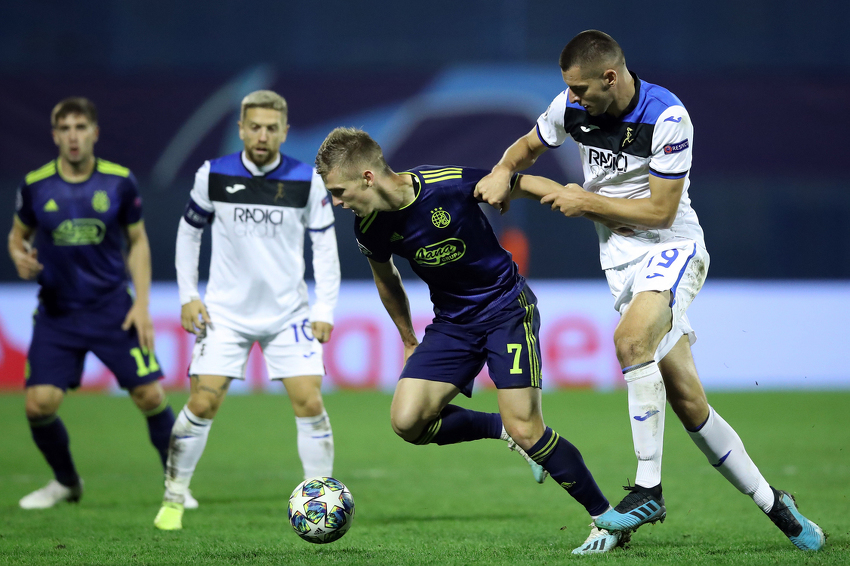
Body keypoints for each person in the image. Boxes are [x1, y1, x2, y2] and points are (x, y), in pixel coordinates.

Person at [475, 30, 826, 552]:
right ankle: (776, 505)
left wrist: (586, 202)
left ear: (610, 78)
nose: (572, 98)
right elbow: (526, 147)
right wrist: (504, 170)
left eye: (580, 89)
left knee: (630, 341)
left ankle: (647, 489)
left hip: (673, 247)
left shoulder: (667, 117)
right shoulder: (569, 108)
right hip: (621, 263)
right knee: (687, 401)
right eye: (567, 89)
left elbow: (661, 210)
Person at [315, 127, 629, 555]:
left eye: (339, 190)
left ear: (367, 177)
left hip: (505, 309)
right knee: (408, 422)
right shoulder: (369, 227)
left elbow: (518, 183)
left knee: (530, 428)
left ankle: (606, 519)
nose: (337, 201)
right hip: (453, 324)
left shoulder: (445, 183)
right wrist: (408, 339)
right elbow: (385, 277)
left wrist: (574, 200)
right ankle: (501, 430)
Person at [154, 90, 341, 531]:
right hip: (225, 313)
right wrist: (188, 295)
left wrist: (325, 307)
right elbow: (188, 236)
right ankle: (174, 497)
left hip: (288, 314)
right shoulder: (212, 175)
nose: (262, 135)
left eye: (271, 128)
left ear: (285, 132)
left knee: (309, 401)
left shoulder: (306, 180)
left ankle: (321, 504)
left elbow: (325, 246)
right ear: (241, 129)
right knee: (202, 401)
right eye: (254, 127)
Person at [9, 97, 186, 509]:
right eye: (65, 129)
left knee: (150, 396)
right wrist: (19, 256)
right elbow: (18, 236)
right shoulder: (35, 184)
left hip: (112, 309)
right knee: (39, 405)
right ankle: (66, 483)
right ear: (55, 135)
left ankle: (176, 486)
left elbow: (138, 240)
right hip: (57, 313)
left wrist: (141, 304)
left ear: (94, 133)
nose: (74, 136)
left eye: (81, 127)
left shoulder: (119, 181)